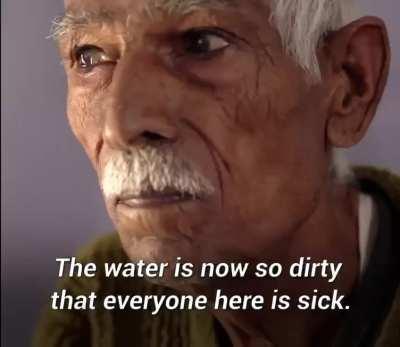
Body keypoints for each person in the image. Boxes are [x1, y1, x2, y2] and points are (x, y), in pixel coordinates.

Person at [34, 0, 400, 346]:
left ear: (350, 86)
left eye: (201, 43)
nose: (120, 126)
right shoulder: (101, 298)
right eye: (89, 56)